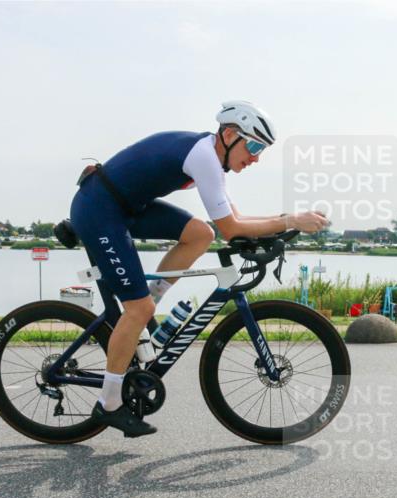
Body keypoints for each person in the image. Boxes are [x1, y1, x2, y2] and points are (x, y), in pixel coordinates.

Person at [70, 101, 329, 438]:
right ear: (230, 134)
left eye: (261, 151)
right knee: (137, 308)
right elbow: (233, 229)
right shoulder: (204, 156)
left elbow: (231, 220)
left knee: (199, 234)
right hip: (100, 210)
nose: (255, 157)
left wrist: (283, 223)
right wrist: (290, 220)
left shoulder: (210, 158)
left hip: (126, 207)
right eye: (253, 146)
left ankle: (146, 312)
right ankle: (108, 404)